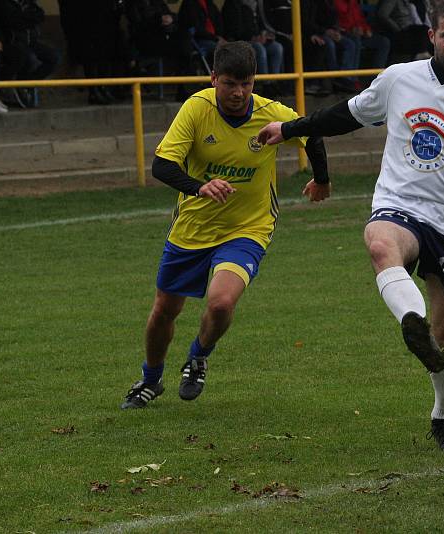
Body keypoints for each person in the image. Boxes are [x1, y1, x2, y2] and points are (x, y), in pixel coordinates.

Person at [257, 0, 444, 452]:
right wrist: (290, 129)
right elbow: (347, 113)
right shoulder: (400, 78)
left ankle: (442, 415)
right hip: (400, 204)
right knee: (380, 243)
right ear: (431, 36)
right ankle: (410, 318)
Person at [120, 41, 330, 409]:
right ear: (213, 78)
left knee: (220, 304)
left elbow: (311, 131)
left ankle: (198, 355)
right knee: (163, 312)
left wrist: (322, 179)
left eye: (246, 83)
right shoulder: (196, 109)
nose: (239, 92)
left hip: (248, 228)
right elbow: (162, 165)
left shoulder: (270, 113)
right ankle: (150, 380)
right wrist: (200, 186)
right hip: (193, 230)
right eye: (230, 83)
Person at [0, 0, 59, 107]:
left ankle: (26, 83)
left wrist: (26, 17)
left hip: (30, 41)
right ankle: (1, 89)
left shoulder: (26, 1)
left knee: (53, 57)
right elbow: (13, 22)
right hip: (12, 42)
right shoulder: (2, 3)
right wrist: (29, 17)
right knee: (22, 55)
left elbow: (40, 14)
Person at [221, 0, 283, 97]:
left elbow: (258, 26)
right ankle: (266, 84)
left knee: (276, 47)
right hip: (240, 42)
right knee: (259, 48)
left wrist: (263, 35)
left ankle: (274, 82)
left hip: (255, 40)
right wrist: (253, 38)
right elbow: (234, 31)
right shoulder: (231, 6)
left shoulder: (252, 7)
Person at [335, 0, 391, 75]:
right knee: (355, 40)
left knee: (384, 42)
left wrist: (366, 29)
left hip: (360, 34)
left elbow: (361, 19)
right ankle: (351, 77)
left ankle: (377, 76)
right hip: (345, 34)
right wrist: (353, 29)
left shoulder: (353, 2)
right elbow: (340, 21)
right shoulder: (337, 2)